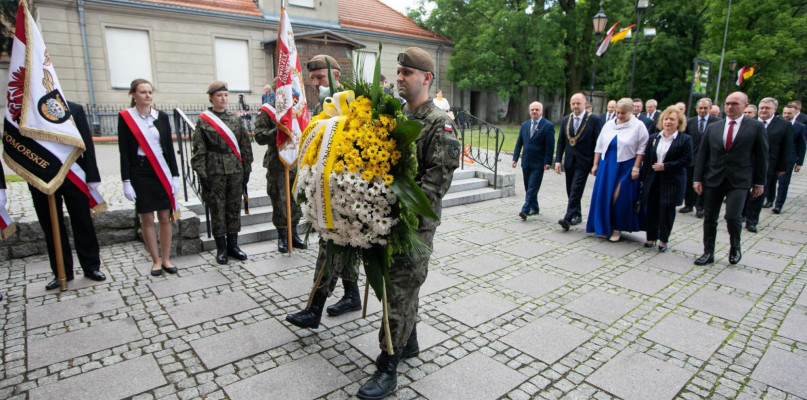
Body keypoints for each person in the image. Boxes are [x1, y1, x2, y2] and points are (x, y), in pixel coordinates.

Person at [354, 47, 460, 400]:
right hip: (385, 219)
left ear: (426, 78)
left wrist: (397, 211)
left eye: (407, 72)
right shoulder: (396, 116)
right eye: (398, 71)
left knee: (399, 289)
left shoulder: (440, 124)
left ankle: (388, 366)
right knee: (397, 287)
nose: (399, 77)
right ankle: (408, 341)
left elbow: (436, 183)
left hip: (413, 226)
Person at [286, 54, 362, 328]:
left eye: (320, 78)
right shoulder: (325, 104)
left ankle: (314, 309)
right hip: (326, 188)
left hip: (346, 192)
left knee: (330, 248)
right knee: (344, 245)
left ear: (335, 75)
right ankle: (352, 296)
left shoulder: (352, 103)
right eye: (313, 79)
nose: (316, 84)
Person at [33, 101, 106, 289]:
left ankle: (91, 266)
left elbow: (87, 144)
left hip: (74, 174)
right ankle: (61, 271)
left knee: (83, 221)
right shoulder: (27, 110)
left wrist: (92, 175)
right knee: (51, 226)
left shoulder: (73, 108)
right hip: (42, 175)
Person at [693, 91, 768, 266]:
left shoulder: (755, 127)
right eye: (727, 103)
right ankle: (708, 252)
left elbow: (762, 156)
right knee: (709, 217)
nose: (730, 107)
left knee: (733, 216)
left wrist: (759, 182)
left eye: (735, 103)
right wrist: (697, 179)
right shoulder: (714, 127)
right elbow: (703, 155)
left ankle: (735, 246)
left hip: (739, 180)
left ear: (745, 105)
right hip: (714, 178)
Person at [118, 79, 180, 276]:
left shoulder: (161, 117)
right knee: (147, 218)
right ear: (133, 95)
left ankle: (166, 259)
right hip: (140, 171)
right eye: (143, 92)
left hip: (161, 171)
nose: (148, 95)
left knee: (165, 216)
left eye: (150, 92)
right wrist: (126, 181)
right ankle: (155, 261)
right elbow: (124, 152)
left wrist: (175, 175)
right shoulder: (126, 117)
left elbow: (168, 148)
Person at [191, 81, 253, 264]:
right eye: (219, 95)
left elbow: (245, 145)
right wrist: (202, 174)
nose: (223, 98)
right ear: (211, 98)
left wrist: (247, 169)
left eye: (225, 95)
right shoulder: (204, 120)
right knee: (217, 209)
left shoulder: (235, 119)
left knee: (234, 207)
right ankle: (221, 249)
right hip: (214, 170)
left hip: (235, 169)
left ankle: (233, 245)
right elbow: (199, 149)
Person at [586, 98, 649, 242]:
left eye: (623, 113)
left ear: (631, 111)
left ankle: (617, 228)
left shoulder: (639, 126)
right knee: (603, 195)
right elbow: (599, 145)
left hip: (626, 165)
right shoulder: (609, 124)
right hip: (607, 164)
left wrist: (636, 167)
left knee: (619, 197)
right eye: (617, 112)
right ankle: (604, 227)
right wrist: (595, 164)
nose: (619, 116)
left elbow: (641, 149)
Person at [253, 102, 306, 253]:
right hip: (277, 162)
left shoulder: (296, 108)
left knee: (295, 199)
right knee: (279, 200)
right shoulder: (266, 111)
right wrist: (279, 130)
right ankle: (283, 236)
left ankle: (293, 234)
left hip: (295, 160)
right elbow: (259, 137)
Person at [642, 106, 693, 252]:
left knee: (666, 211)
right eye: (666, 119)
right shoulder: (654, 137)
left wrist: (666, 166)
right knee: (652, 208)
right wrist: (643, 179)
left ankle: (663, 240)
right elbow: (647, 159)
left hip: (672, 180)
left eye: (672, 119)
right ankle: (650, 237)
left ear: (679, 122)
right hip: (653, 179)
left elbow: (687, 159)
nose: (668, 122)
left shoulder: (685, 139)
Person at [743, 97, 792, 232]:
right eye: (762, 108)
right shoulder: (749, 122)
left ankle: (752, 220)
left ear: (775, 110)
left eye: (767, 108)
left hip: (768, 165)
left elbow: (787, 148)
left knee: (759, 193)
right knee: (743, 190)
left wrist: (782, 167)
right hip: (746, 163)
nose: (764, 110)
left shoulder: (784, 125)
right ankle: (741, 214)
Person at [555, 93, 603, 230]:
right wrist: (558, 160)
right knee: (571, 189)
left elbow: (598, 142)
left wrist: (596, 163)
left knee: (576, 188)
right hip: (569, 161)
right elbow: (561, 141)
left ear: (585, 104)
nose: (575, 106)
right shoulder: (566, 119)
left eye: (578, 103)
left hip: (585, 161)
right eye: (573, 104)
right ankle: (577, 214)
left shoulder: (593, 119)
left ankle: (567, 218)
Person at [512, 101, 554, 220]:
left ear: (541, 111)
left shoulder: (548, 126)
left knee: (533, 187)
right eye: (532, 110)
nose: (534, 112)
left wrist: (548, 161)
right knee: (528, 186)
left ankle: (525, 209)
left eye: (537, 109)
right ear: (529, 111)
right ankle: (534, 207)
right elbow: (519, 142)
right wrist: (515, 158)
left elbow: (550, 146)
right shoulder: (525, 125)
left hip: (539, 163)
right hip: (526, 161)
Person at [681, 98, 719, 218]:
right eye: (700, 108)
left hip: (708, 159)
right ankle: (688, 204)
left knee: (703, 183)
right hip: (692, 157)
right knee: (689, 182)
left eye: (705, 108)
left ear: (710, 109)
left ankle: (700, 207)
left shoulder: (717, 122)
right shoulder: (690, 122)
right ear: (696, 109)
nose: (702, 110)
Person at [773, 104, 807, 213]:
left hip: (788, 159)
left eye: (789, 113)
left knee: (783, 182)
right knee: (770, 181)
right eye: (785, 113)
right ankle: (769, 200)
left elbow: (802, 145)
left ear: (795, 113)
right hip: (774, 157)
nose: (786, 115)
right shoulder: (776, 124)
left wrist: (799, 162)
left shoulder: (800, 127)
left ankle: (778, 205)